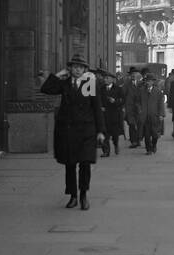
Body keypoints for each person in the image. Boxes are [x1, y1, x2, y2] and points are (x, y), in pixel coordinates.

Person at [41, 56, 105, 210]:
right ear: (70, 69)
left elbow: (96, 108)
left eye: (80, 67)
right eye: (74, 67)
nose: (77, 69)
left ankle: (83, 195)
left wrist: (101, 131)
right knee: (70, 165)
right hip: (68, 131)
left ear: (85, 70)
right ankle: (73, 196)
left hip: (86, 131)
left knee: (85, 164)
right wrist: (57, 75)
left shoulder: (89, 83)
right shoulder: (64, 83)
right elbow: (46, 89)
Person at [98, 70, 126, 156]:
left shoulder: (118, 89)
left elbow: (123, 100)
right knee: (105, 133)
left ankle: (116, 145)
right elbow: (97, 100)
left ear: (112, 79)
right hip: (104, 114)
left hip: (114, 115)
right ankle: (106, 151)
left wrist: (115, 101)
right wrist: (100, 107)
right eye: (104, 78)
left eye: (107, 78)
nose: (105, 80)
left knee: (114, 134)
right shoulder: (101, 88)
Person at [138, 71, 165, 154]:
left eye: (150, 81)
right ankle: (148, 149)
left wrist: (161, 114)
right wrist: (139, 109)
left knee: (154, 134)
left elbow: (161, 103)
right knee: (146, 134)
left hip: (154, 116)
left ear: (153, 82)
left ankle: (154, 145)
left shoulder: (157, 91)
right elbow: (138, 102)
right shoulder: (142, 91)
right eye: (147, 81)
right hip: (145, 116)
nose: (148, 82)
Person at [124, 67, 144, 148]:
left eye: (134, 74)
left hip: (138, 107)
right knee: (131, 124)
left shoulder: (141, 83)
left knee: (139, 124)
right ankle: (133, 141)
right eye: (132, 74)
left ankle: (138, 139)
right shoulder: (126, 84)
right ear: (130, 75)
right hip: (130, 107)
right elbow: (123, 94)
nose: (133, 75)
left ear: (137, 75)